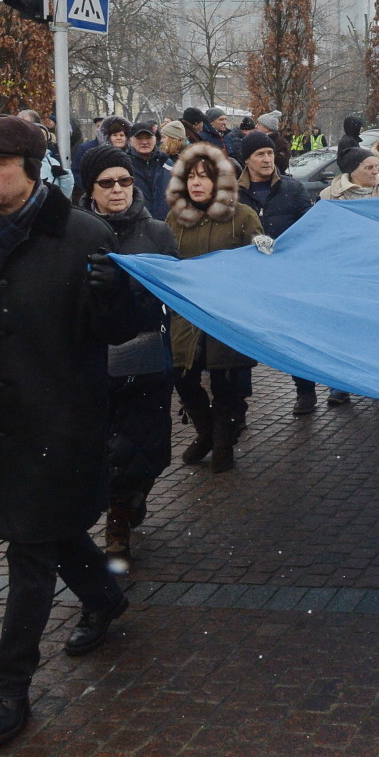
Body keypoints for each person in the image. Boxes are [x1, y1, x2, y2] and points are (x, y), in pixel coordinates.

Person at [0, 115, 139, 748]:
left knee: (31, 553)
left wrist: (112, 295)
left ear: (33, 167)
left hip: (66, 420)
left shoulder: (84, 235)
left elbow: (120, 329)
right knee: (51, 532)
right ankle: (105, 597)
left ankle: (8, 688)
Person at [79, 146, 178, 567]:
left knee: (149, 449)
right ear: (91, 189)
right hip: (92, 359)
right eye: (107, 183)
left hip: (144, 356)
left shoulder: (156, 232)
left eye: (124, 181)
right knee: (105, 449)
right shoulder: (75, 233)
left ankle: (132, 495)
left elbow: (174, 292)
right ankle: (117, 519)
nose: (117, 190)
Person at [166, 143, 264, 472]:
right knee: (185, 378)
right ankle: (205, 432)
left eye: (204, 177)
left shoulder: (243, 216)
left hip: (227, 314)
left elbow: (260, 264)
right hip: (187, 315)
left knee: (227, 383)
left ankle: (224, 441)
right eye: (191, 176)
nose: (196, 183)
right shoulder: (175, 218)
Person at [236, 132, 315, 414]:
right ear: (246, 160)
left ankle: (305, 390)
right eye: (260, 154)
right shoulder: (233, 193)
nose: (267, 159)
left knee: (295, 335)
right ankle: (237, 406)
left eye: (270, 154)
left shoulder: (292, 189)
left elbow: (309, 229)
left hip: (287, 276)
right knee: (241, 340)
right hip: (250, 278)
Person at [319, 147, 379, 406]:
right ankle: (340, 384)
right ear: (353, 171)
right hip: (345, 274)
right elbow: (322, 233)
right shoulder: (330, 196)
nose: (376, 172)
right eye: (369, 168)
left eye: (377, 167)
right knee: (344, 331)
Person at [124, 122, 172, 222]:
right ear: (131, 141)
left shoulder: (167, 164)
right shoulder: (124, 166)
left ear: (155, 139)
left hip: (167, 226)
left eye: (148, 137)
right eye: (139, 138)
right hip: (136, 227)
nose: (144, 142)